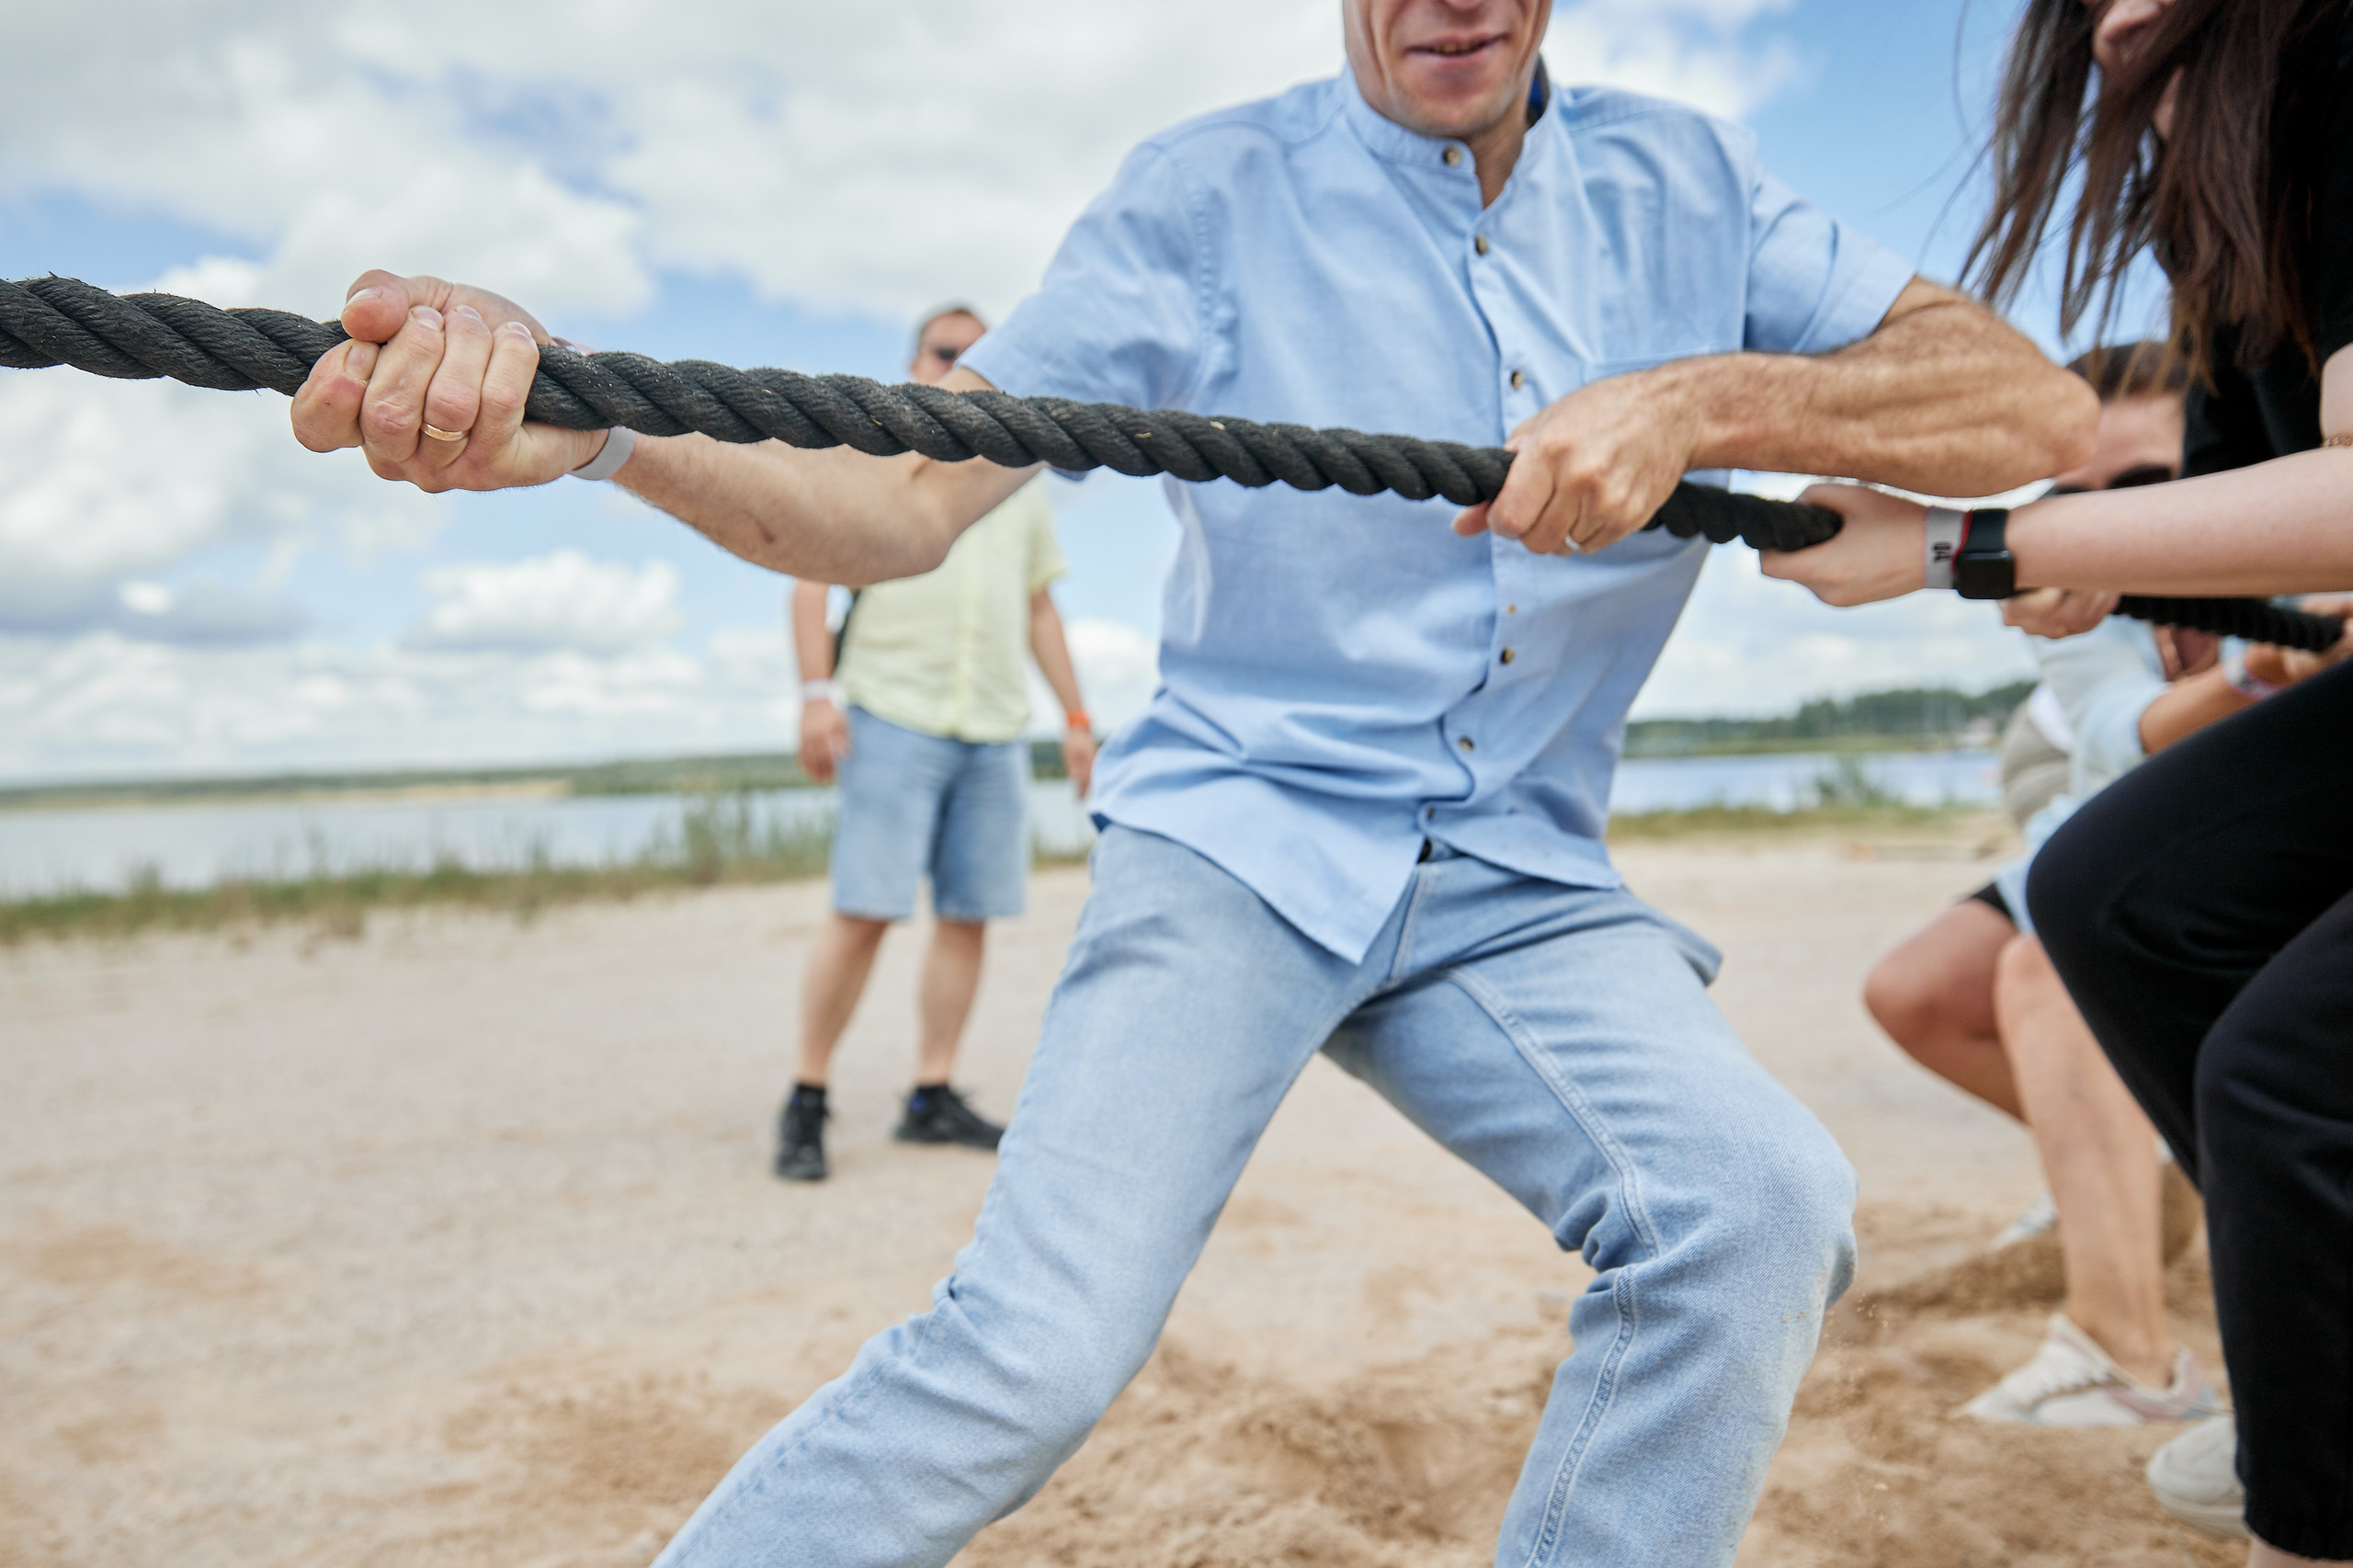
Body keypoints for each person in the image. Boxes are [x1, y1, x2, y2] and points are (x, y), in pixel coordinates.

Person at [285, 2, 2094, 1561]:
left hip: (1519, 876)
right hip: (1238, 836)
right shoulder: (1201, 195)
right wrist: (599, 425)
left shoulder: (1690, 185)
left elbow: (2028, 414)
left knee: (1758, 1208)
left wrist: (1694, 405)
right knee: (1032, 1352)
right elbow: (897, 505)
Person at [1764, 0, 2353, 1559]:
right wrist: (2118, 564)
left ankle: (2276, 1424)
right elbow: (2254, 550)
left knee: (2282, 1073)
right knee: (2112, 897)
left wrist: (1982, 542)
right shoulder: (2207, 234)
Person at [1865, 343, 2346, 1429]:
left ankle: (2126, 1341)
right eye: (2068, 500)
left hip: (2242, 852)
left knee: (2050, 966)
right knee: (1921, 989)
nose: (2100, 517)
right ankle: (2131, 1173)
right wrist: (2254, 669)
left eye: (2140, 489)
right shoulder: (2082, 591)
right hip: (2109, 824)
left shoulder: (2294, 543)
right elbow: (2111, 742)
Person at [777, 303, 1097, 1183]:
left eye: (980, 356)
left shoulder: (1017, 476)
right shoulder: (874, 460)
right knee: (867, 907)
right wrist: (815, 697)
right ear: (919, 364)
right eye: (949, 352)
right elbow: (809, 583)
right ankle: (807, 1094)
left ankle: (933, 1091)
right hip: (892, 710)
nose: (965, 365)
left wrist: (1075, 720)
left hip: (992, 727)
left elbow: (1040, 606)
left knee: (968, 914)